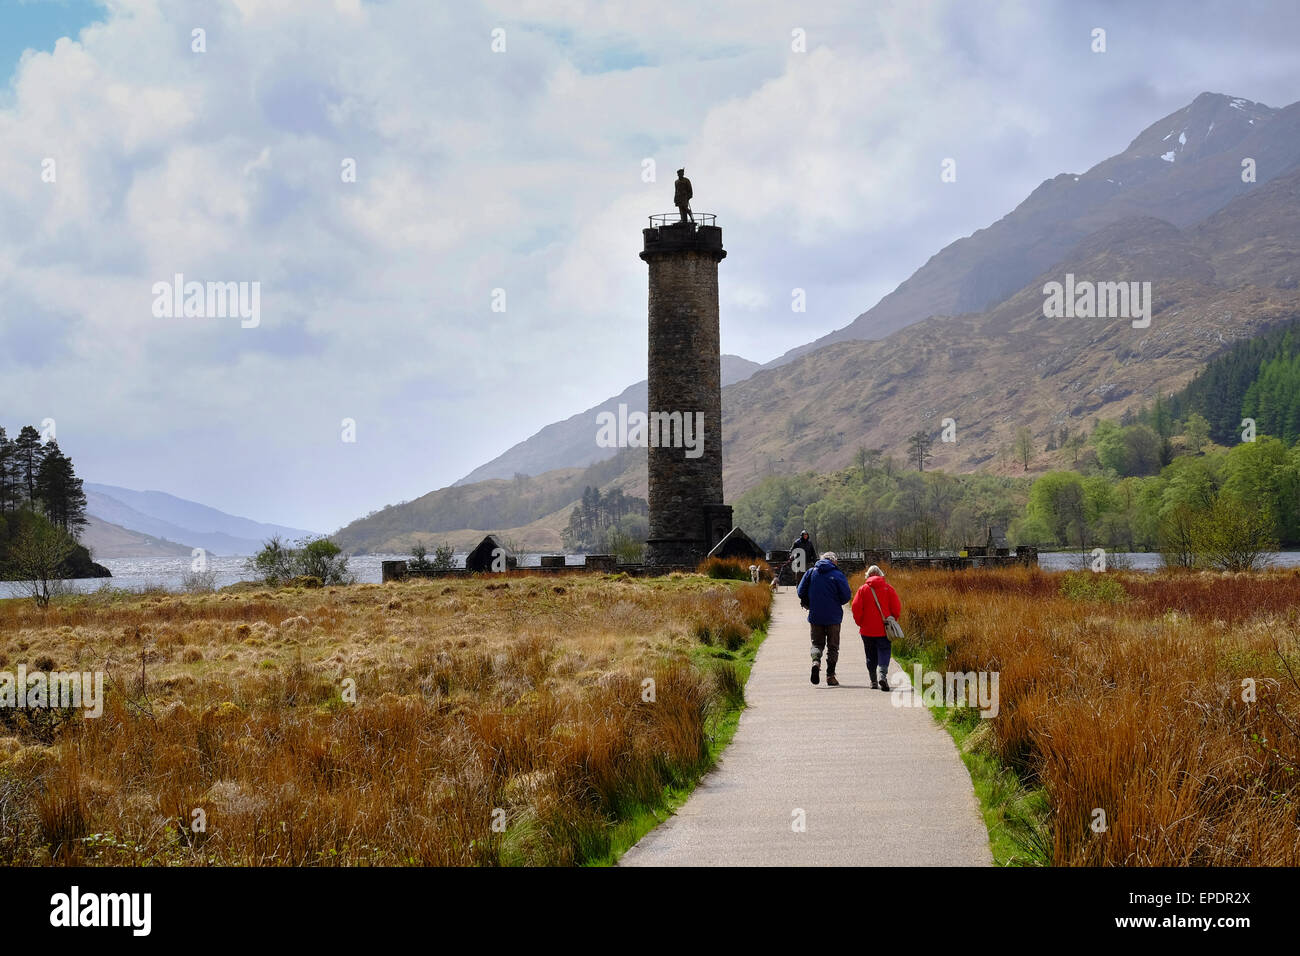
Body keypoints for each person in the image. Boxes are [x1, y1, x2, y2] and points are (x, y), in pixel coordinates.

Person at [797, 551, 852, 687]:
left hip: (815, 615)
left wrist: (811, 600)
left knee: (817, 644)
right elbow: (846, 596)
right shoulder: (838, 574)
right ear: (834, 561)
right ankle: (830, 676)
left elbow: (800, 592)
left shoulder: (810, 572)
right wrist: (835, 601)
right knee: (833, 647)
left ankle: (815, 662)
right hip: (833, 617)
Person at [851, 564, 902, 691]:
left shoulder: (862, 589)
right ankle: (882, 676)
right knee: (884, 651)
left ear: (867, 576)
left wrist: (860, 623)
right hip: (884, 629)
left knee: (870, 655)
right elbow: (896, 608)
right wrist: (892, 620)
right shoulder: (888, 589)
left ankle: (873, 681)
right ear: (881, 574)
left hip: (867, 630)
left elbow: (856, 608)